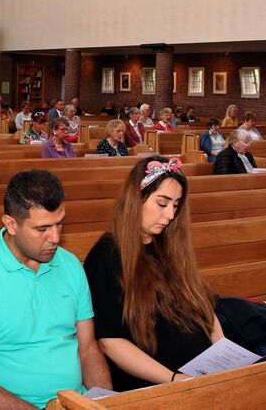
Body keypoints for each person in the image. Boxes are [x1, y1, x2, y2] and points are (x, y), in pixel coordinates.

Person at [0, 170, 112, 408]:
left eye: (59, 224)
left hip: (74, 403)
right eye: (42, 229)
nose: (55, 237)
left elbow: (87, 349)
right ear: (11, 224)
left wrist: (103, 402)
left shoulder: (71, 266)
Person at [83, 156, 224, 391]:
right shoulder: (107, 255)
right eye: (162, 203)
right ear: (136, 199)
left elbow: (205, 309)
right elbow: (110, 341)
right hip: (155, 384)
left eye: (176, 205)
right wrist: (174, 379)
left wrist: (222, 356)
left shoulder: (169, 246)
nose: (170, 215)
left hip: (200, 376)